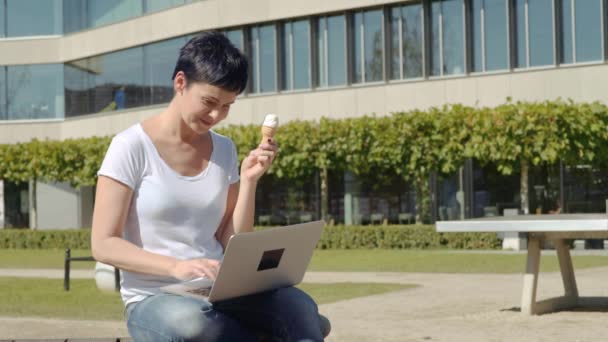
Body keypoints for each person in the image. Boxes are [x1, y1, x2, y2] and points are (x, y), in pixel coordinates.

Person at [91, 31, 325, 342]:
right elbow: (103, 243)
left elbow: (231, 240)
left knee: (300, 307)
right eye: (209, 102)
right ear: (180, 83)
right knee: (197, 325)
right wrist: (176, 266)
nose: (217, 115)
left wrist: (249, 182)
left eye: (227, 106)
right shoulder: (130, 147)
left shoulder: (225, 149)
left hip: (217, 291)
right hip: (154, 296)